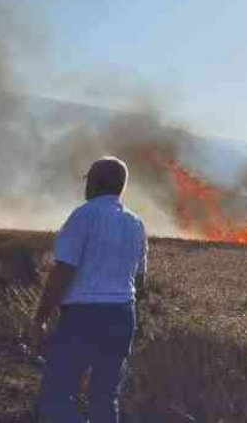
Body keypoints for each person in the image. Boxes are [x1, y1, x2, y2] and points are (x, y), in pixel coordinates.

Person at [31, 156, 148, 423]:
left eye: (88, 179)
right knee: (104, 397)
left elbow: (63, 272)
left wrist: (40, 319)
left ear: (97, 183)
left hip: (84, 317)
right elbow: (140, 282)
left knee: (56, 395)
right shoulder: (136, 224)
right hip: (122, 316)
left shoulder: (83, 216)